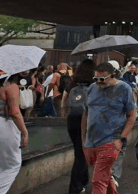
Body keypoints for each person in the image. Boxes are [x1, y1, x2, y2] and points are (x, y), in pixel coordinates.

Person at [82, 62, 136, 194]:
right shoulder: (92, 88)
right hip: (91, 142)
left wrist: (121, 139)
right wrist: (84, 140)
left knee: (97, 180)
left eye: (102, 79)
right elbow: (85, 114)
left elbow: (132, 115)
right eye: (96, 79)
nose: (99, 82)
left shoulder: (124, 88)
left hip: (111, 141)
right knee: (106, 176)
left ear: (112, 76)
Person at [61, 59, 95, 194]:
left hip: (72, 119)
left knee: (79, 151)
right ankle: (74, 188)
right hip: (86, 120)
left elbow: (64, 100)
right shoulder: (94, 84)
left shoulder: (72, 83)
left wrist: (65, 114)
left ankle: (83, 180)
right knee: (81, 154)